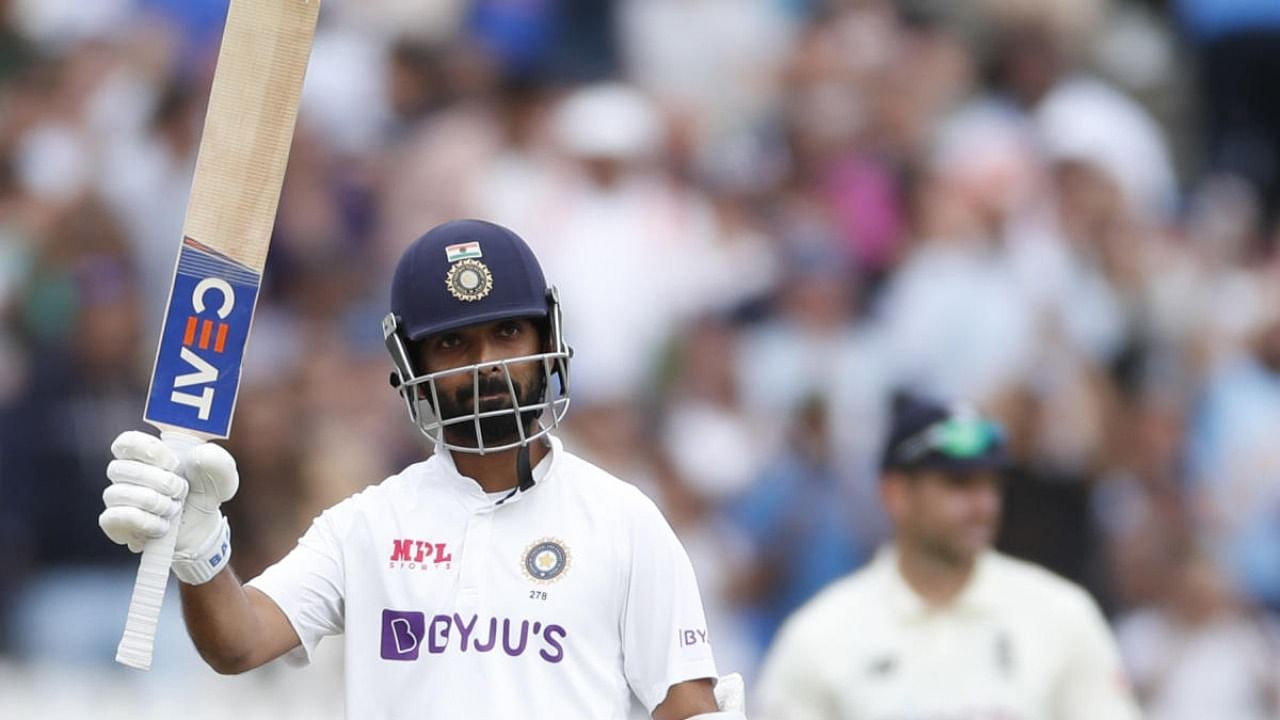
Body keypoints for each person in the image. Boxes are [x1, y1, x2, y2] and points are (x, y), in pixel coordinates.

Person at [97, 219, 747, 720]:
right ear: (412, 367)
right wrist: (200, 550)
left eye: (507, 334)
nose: (486, 363)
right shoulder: (370, 523)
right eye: (453, 343)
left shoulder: (623, 520)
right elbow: (238, 643)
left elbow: (683, 703)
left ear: (547, 340)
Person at [754, 394, 1141, 720]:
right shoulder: (820, 635)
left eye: (992, 485)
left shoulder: (1062, 615)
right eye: (959, 484)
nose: (984, 505)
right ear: (896, 494)